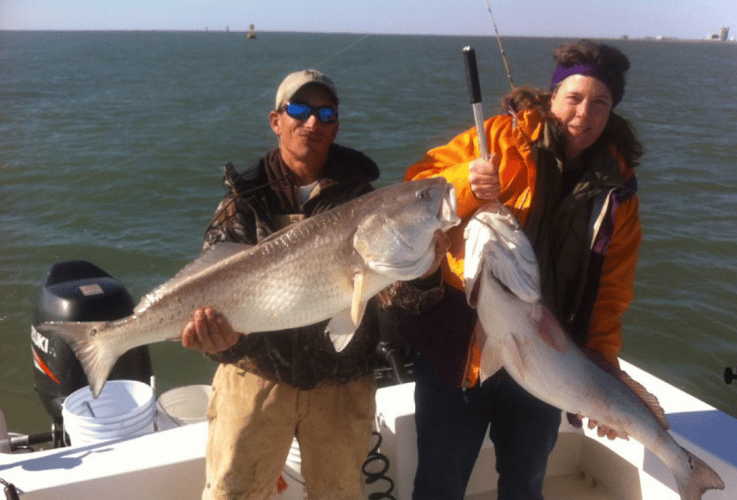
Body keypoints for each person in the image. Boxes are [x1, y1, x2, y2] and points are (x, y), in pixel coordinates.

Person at [399, 39, 644, 499]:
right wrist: (467, 185)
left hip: (546, 354)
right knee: (439, 482)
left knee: (526, 484)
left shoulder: (618, 189)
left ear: (612, 111)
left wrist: (601, 364)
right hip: (461, 345)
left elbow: (611, 289)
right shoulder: (496, 140)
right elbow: (414, 189)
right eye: (573, 98)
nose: (583, 114)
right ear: (553, 98)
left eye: (600, 103)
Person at [181, 69, 383, 500]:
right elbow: (209, 285)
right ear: (276, 121)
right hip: (255, 376)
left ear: (336, 126)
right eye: (299, 110)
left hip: (341, 381)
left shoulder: (365, 202)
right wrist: (223, 342)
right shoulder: (243, 200)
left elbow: (397, 298)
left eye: (325, 113)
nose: (312, 122)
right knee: (232, 493)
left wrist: (423, 274)